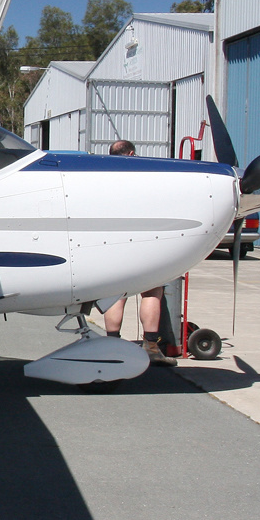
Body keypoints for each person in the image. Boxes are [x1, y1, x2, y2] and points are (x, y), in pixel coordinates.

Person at [103, 140, 176, 366]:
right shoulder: (146, 178)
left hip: (113, 242)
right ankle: (151, 347)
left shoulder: (104, 180)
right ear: (132, 154)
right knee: (152, 292)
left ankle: (112, 344)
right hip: (144, 241)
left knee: (116, 293)